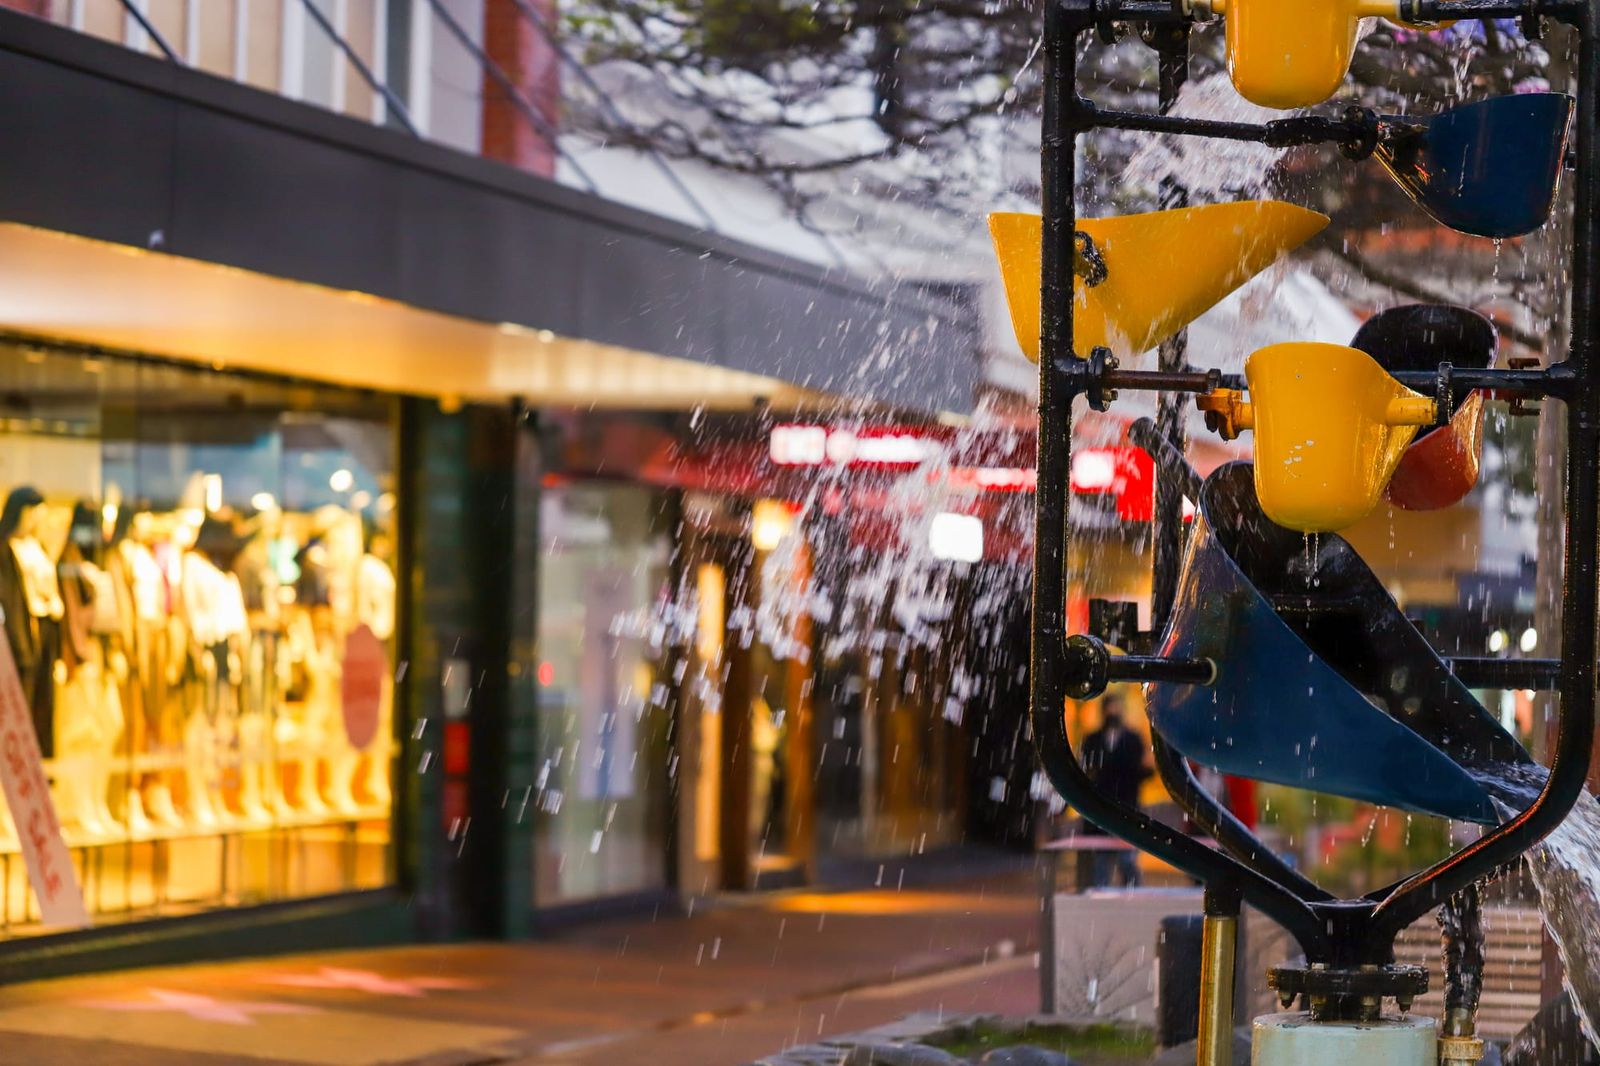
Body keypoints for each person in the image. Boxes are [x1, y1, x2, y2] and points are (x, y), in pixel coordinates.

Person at [1080, 692, 1152, 888]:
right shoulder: (1093, 739)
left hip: (1127, 807)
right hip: (1101, 808)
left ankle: (1132, 898)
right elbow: (1088, 769)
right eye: (1110, 707)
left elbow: (1143, 770)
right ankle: (1101, 902)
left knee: (1127, 861)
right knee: (1101, 864)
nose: (1113, 711)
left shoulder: (1133, 739)